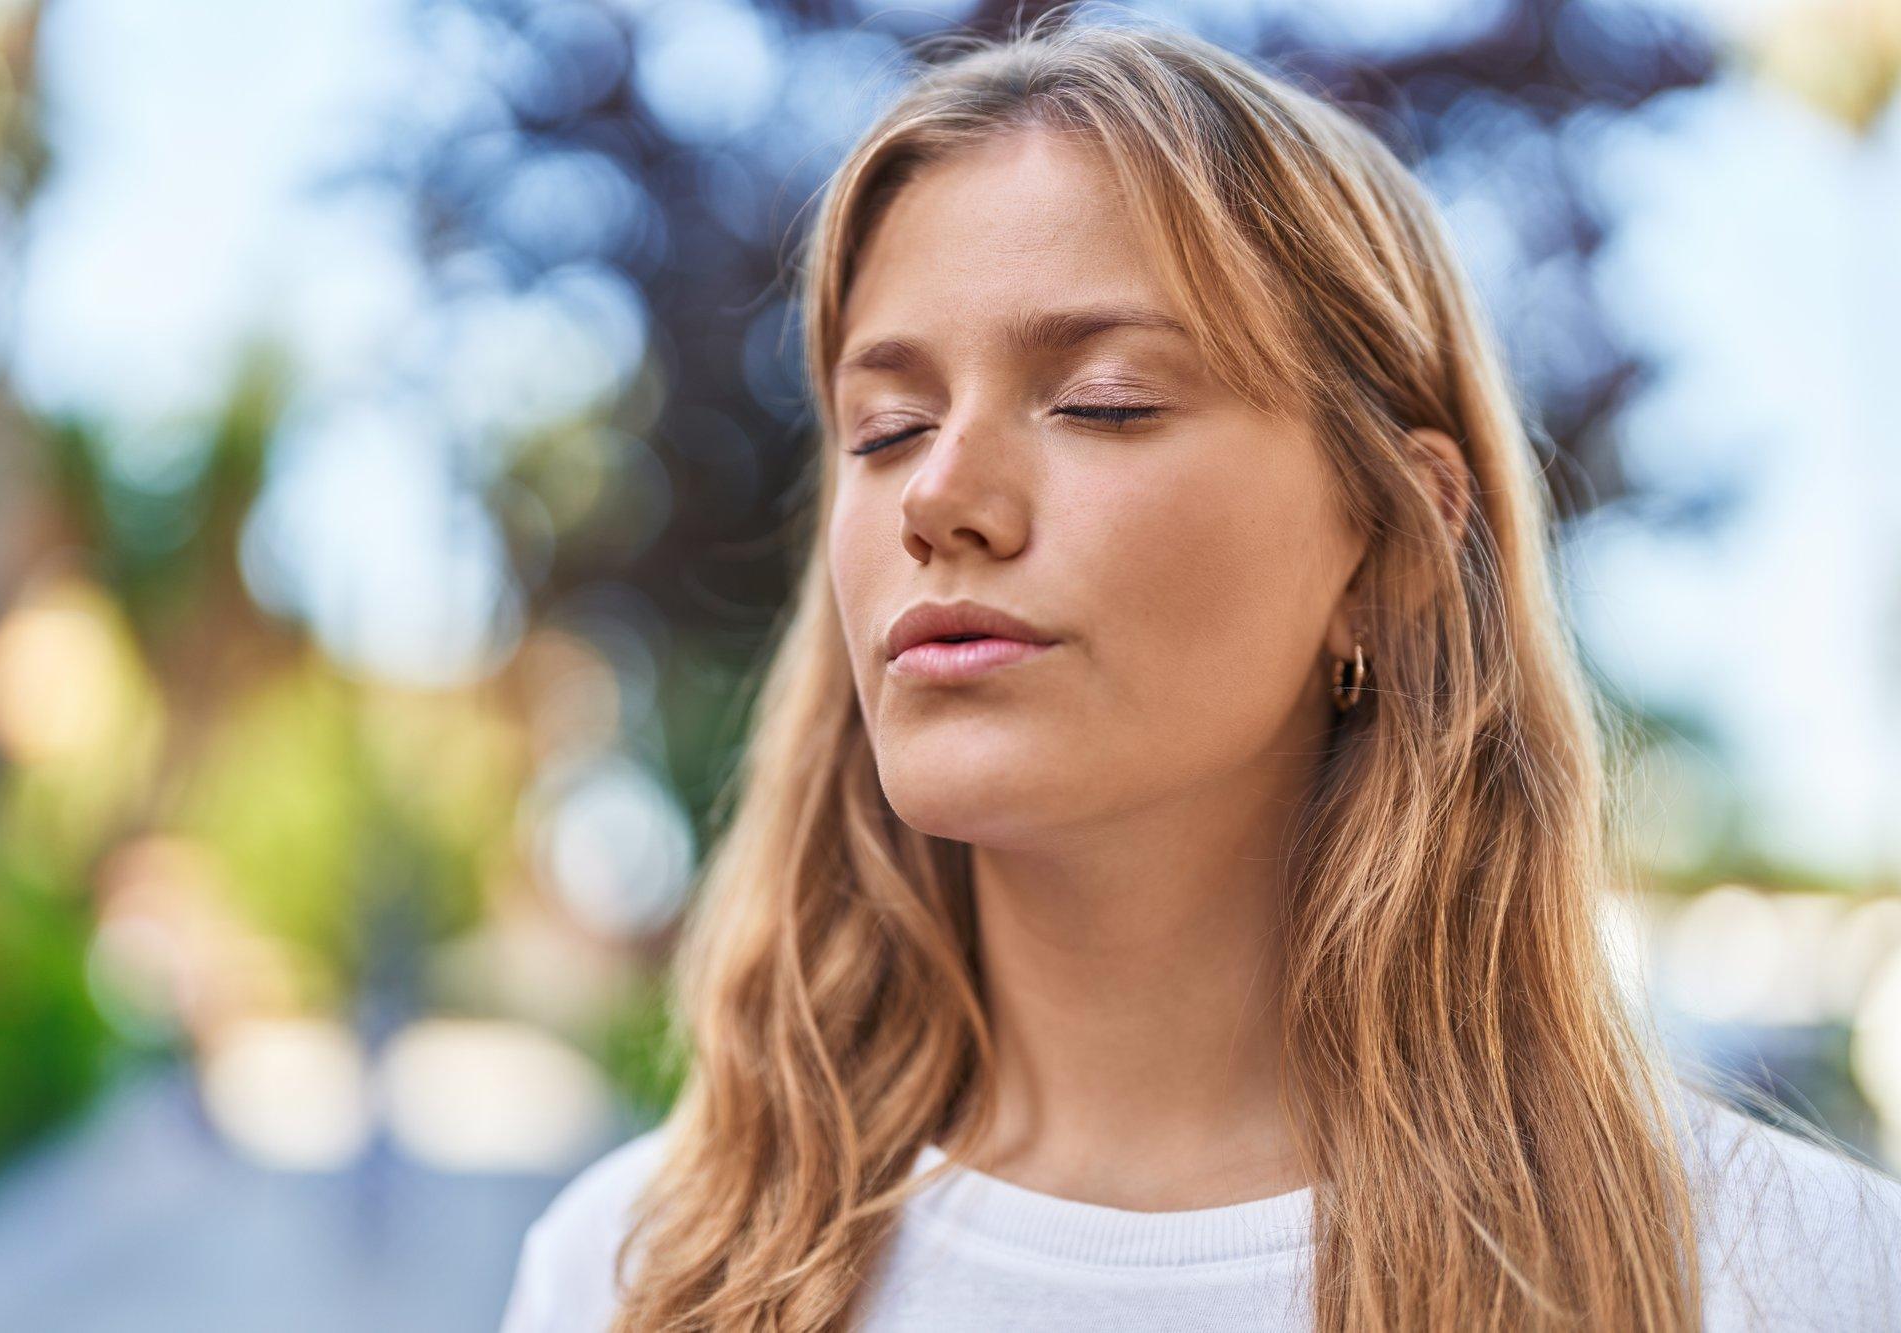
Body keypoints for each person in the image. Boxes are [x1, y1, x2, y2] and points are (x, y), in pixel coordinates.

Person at [499, 14, 1901, 1331]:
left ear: (1391, 547)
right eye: (884, 426)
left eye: (1104, 400)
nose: (939, 495)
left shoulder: (1788, 1277)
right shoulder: (634, 1269)